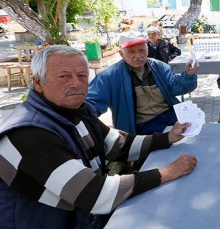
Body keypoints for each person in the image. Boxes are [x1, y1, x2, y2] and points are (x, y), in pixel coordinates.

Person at [0, 45, 198, 228]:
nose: (77, 83)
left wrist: (167, 138)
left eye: (82, 76)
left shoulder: (75, 111)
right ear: (38, 83)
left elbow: (117, 144)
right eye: (64, 76)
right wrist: (167, 172)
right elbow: (95, 195)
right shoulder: (29, 133)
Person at [87, 32, 199, 134]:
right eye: (131, 52)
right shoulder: (108, 77)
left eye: (141, 50)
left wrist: (188, 75)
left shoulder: (159, 67)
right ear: (121, 54)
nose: (138, 56)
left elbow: (177, 88)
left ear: (147, 50)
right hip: (144, 127)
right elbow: (90, 106)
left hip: (172, 116)